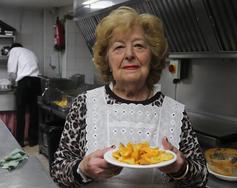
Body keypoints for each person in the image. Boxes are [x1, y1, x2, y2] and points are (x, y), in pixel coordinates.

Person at [51, 6, 208, 188]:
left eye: (139, 46)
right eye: (118, 47)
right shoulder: (85, 105)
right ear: (108, 60)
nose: (129, 55)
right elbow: (58, 171)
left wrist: (182, 168)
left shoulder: (174, 113)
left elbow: (202, 178)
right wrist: (83, 169)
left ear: (153, 56)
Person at [7, 43, 41, 147]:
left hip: (24, 82)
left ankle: (20, 141)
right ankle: (33, 141)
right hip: (36, 81)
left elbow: (12, 73)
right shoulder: (30, 52)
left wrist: (12, 84)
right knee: (33, 111)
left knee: (20, 112)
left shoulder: (14, 51)